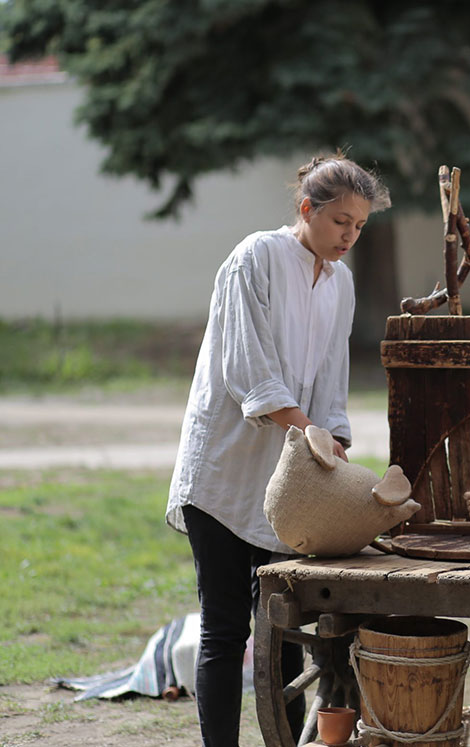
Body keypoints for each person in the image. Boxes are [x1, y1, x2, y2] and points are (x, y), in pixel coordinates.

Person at [165, 152, 390, 746]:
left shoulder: (340, 281)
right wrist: (307, 428)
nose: (350, 235)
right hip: (224, 470)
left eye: (360, 225)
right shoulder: (256, 257)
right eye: (340, 220)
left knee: (282, 629)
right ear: (305, 209)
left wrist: (333, 439)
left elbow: (331, 377)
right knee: (224, 628)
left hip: (287, 483)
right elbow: (249, 372)